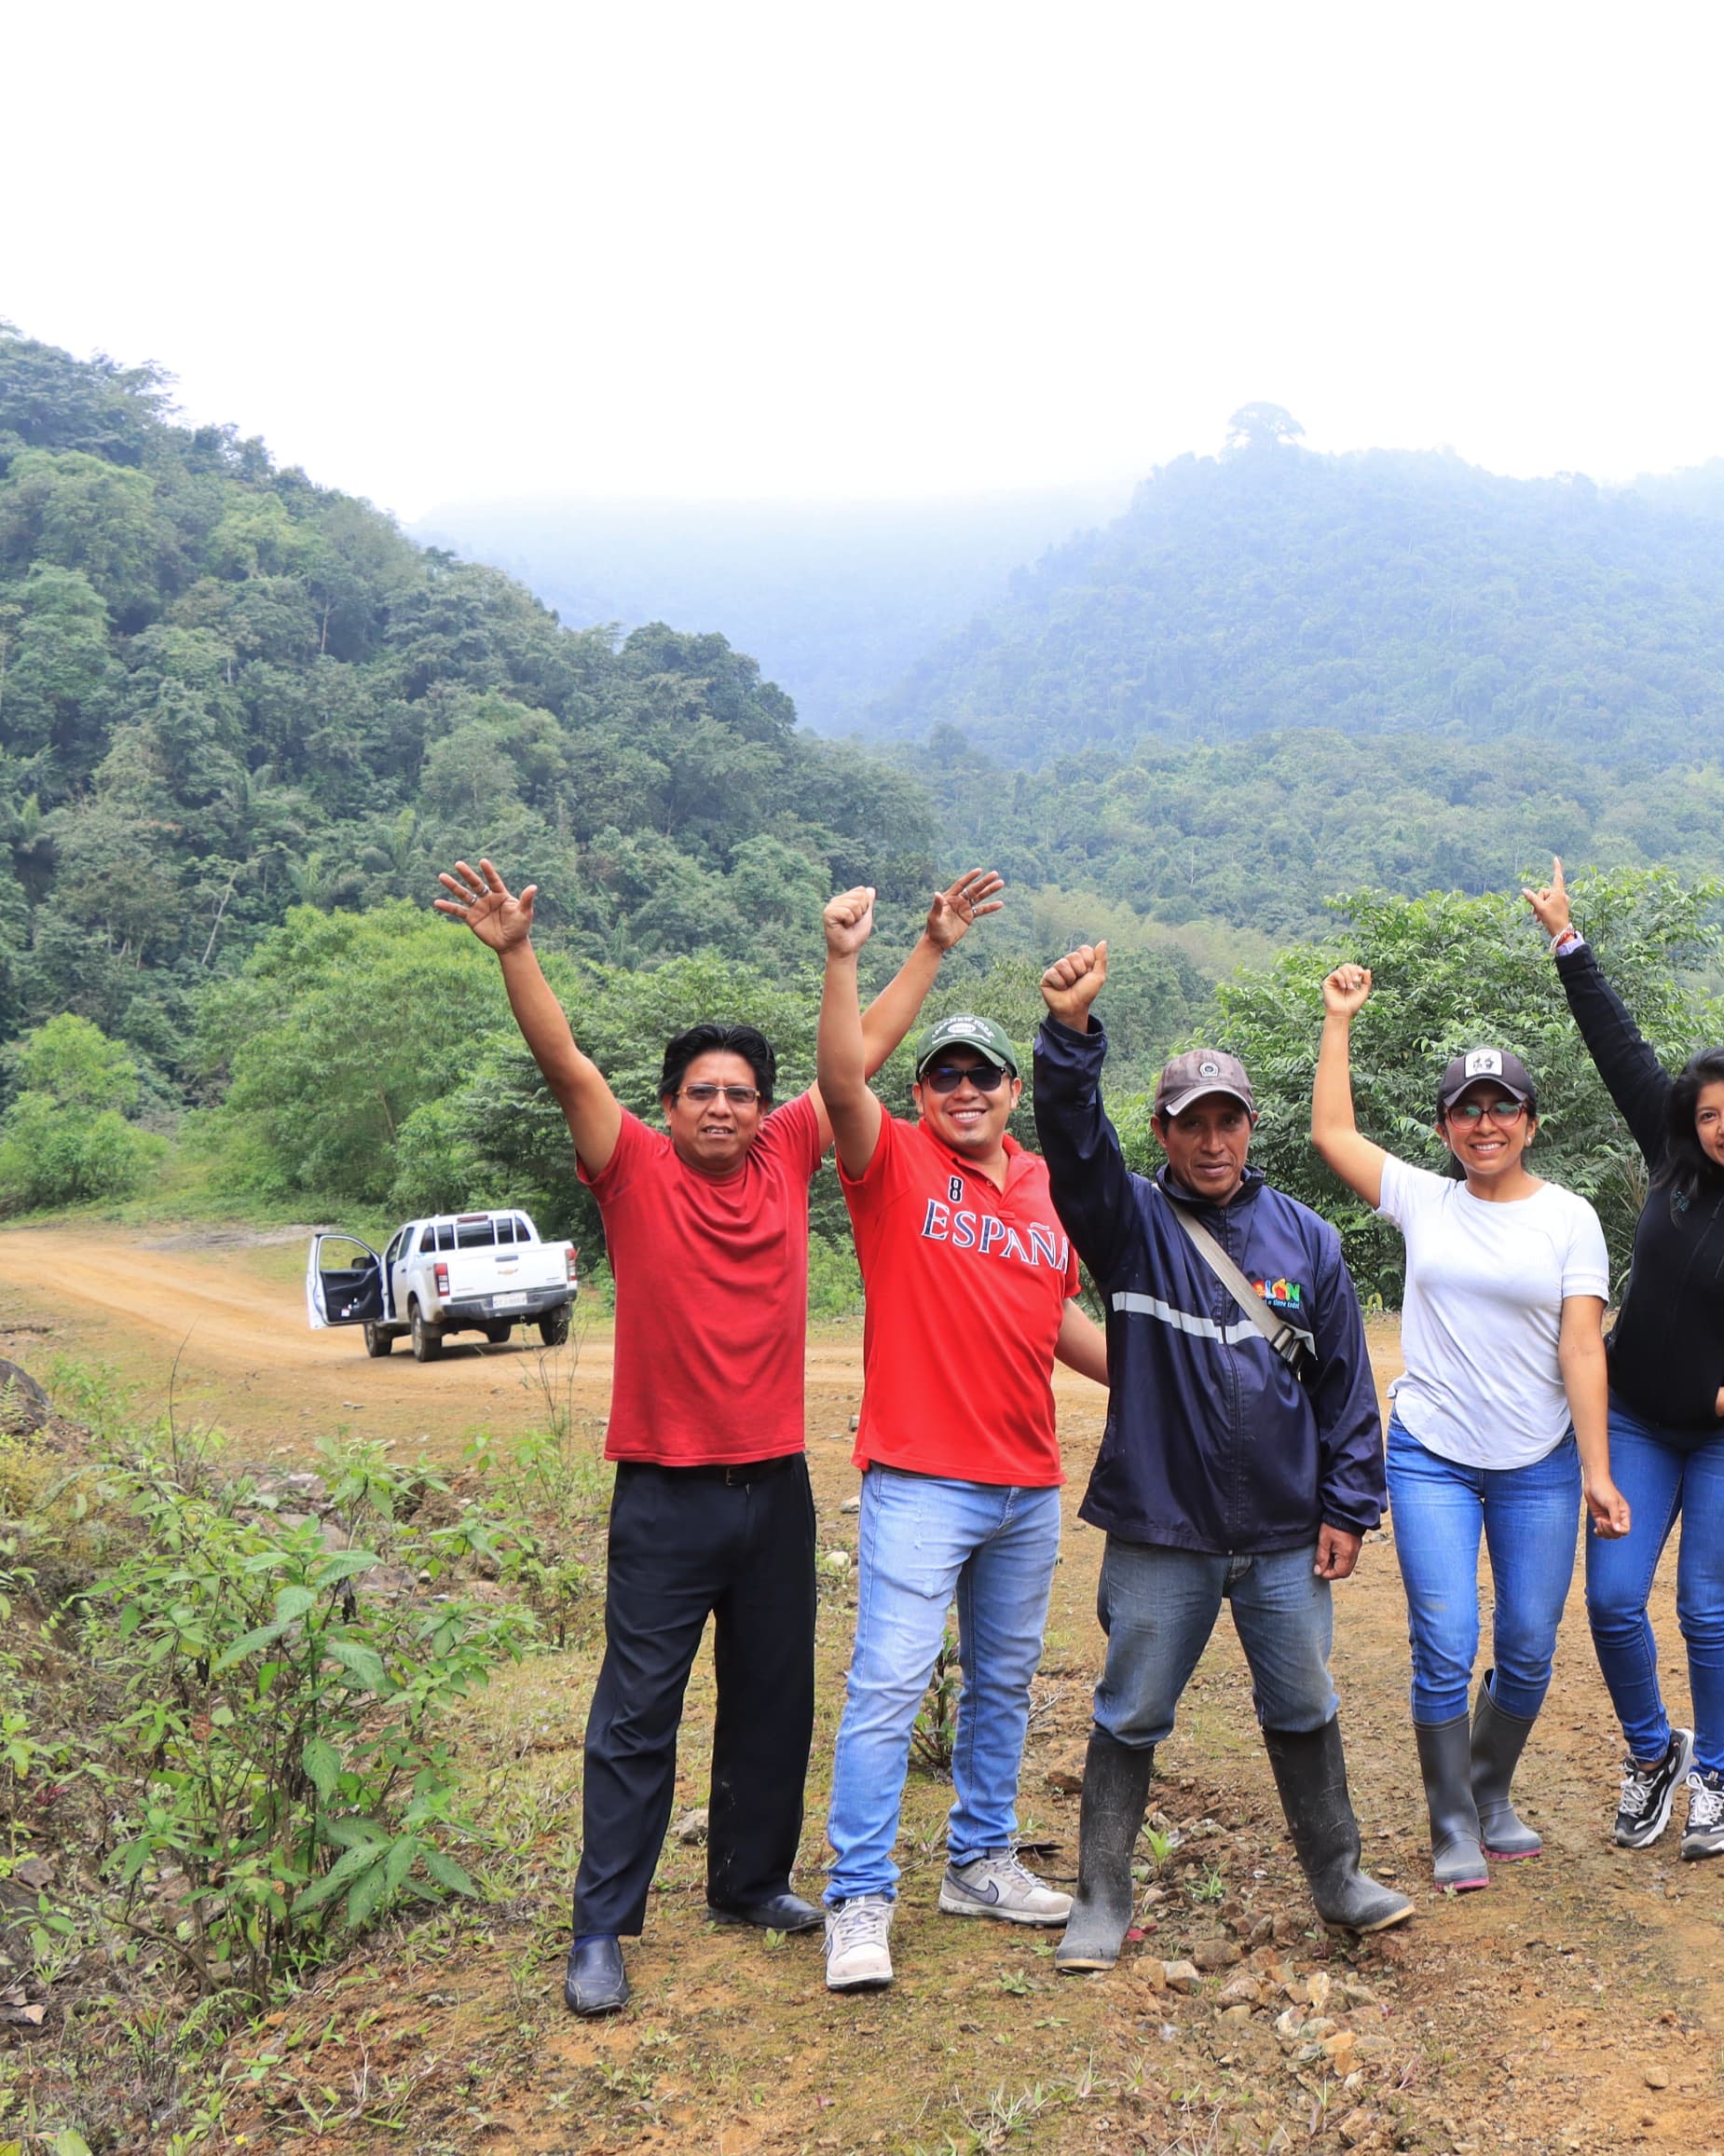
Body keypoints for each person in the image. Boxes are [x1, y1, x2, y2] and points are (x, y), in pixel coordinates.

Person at [432, 857, 1004, 2020]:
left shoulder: (789, 1152)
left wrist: (927, 947)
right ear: (669, 1103)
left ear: (762, 1107)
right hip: (664, 1490)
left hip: (773, 1487)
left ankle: (748, 1881)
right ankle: (601, 1925)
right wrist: (515, 953)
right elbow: (566, 1061)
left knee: (772, 1695)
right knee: (637, 1711)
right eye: (702, 1091)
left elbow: (860, 1056)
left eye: (742, 1092)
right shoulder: (630, 1164)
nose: (723, 1108)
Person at [1028, 942, 1412, 1968]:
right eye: (1190, 1122)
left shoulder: (1307, 1240)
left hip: (1285, 1533)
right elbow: (1072, 1142)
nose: (1211, 1140)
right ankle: (1101, 1901)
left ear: (1249, 1126)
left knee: (1305, 1702)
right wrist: (1069, 1036)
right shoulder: (1128, 1223)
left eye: (1227, 1120)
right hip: (1162, 1526)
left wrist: (1350, 1506)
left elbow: (1345, 1386)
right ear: (1161, 1131)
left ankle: (1339, 1879)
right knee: (1131, 1709)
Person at [813, 894, 1109, 1993]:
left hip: (1026, 1481)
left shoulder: (1041, 1188)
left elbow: (1056, 1320)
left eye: (984, 1073)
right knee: (888, 1685)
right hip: (920, 1478)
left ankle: (980, 1860)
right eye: (945, 1074)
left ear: (1012, 1090)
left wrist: (1166, 1374)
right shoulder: (889, 1160)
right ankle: (859, 1894)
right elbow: (840, 1076)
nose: (966, 1088)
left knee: (1003, 1682)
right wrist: (861, 956)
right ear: (921, 1093)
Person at [1526, 864, 1724, 1861]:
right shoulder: (1674, 1165)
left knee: (1706, 1607)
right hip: (1633, 1419)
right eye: (1708, 1114)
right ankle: (1651, 1751)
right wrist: (1569, 943)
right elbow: (1618, 1047)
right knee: (1612, 1599)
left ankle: (1717, 1777)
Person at [1309, 961, 1627, 1889]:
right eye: (1466, 1110)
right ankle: (1451, 1819)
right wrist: (1339, 1019)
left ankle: (1488, 1790)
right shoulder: (1424, 1198)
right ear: (1446, 1126)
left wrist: (1598, 1471)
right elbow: (1333, 1133)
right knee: (1445, 1641)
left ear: (1530, 1121)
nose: (1485, 1123)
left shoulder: (1570, 1218)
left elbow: (1582, 1347)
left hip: (1539, 1461)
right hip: (1432, 1455)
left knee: (1528, 1644)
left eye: (1502, 1107)